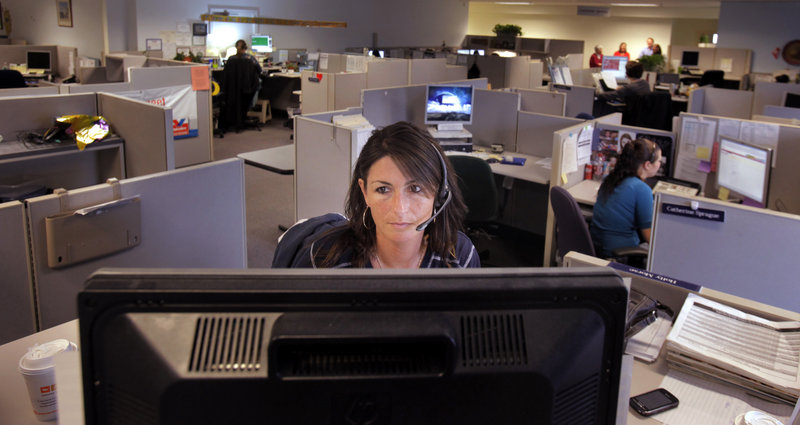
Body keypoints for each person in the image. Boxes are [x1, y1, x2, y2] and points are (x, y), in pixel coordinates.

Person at [290, 121, 480, 268]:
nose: (399, 208)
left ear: (440, 194)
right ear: (365, 192)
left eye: (415, 189)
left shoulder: (459, 257)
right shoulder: (324, 259)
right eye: (383, 189)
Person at [590, 138, 662, 258]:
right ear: (647, 165)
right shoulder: (642, 189)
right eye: (659, 161)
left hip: (598, 247)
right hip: (621, 254)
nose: (660, 165)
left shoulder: (611, 179)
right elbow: (649, 236)